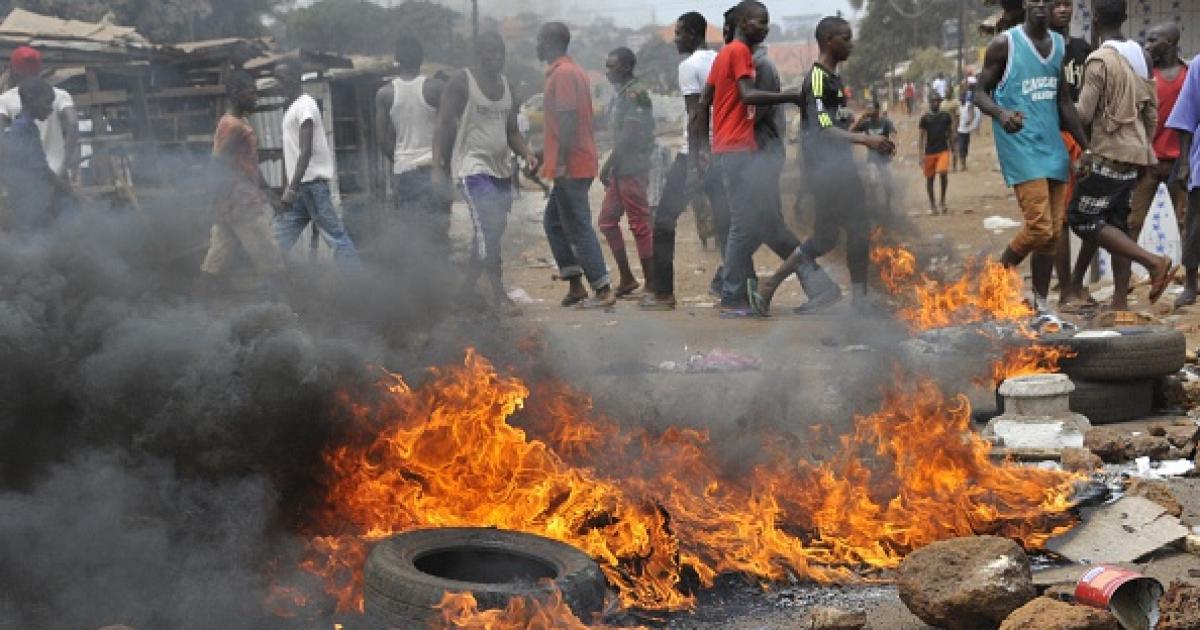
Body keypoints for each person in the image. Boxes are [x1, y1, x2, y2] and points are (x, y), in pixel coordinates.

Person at [748, 15, 895, 316]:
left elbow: (836, 124)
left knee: (826, 238)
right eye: (846, 38)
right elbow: (823, 128)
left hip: (837, 169)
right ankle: (859, 302)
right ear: (829, 40)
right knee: (857, 230)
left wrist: (863, 129)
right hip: (826, 173)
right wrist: (866, 140)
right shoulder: (816, 78)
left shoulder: (834, 79)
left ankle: (770, 285)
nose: (851, 44)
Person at [695, 2, 834, 316]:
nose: (765, 27)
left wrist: (706, 147)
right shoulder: (739, 56)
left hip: (758, 154)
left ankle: (735, 289)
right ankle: (810, 285)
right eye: (760, 22)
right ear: (741, 24)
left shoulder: (755, 63)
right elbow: (734, 103)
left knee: (753, 225)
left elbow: (728, 107)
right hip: (745, 153)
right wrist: (793, 97)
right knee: (761, 225)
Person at [974, 0, 1088, 314]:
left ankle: (1039, 303)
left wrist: (1085, 147)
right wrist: (1001, 113)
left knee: (1052, 233)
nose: (1039, 4)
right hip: (1020, 146)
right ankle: (996, 274)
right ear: (1026, 4)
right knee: (1040, 229)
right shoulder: (1005, 44)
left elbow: (1064, 102)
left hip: (1053, 147)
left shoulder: (1058, 47)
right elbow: (979, 92)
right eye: (1033, 0)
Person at [1065, 0, 1173, 310]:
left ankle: (1153, 262)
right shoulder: (1140, 56)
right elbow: (1152, 112)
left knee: (1082, 219)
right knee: (1117, 223)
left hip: (1108, 152)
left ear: (1094, 21)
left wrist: (1059, 102)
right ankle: (1119, 305)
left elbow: (1084, 114)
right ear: (1125, 18)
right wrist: (1144, 148)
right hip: (1136, 153)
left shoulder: (1099, 60)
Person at [432, 32, 539, 315]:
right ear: (479, 55)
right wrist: (437, 167)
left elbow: (512, 130)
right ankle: (498, 294)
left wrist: (526, 153)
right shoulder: (461, 82)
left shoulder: (508, 87)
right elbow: (443, 124)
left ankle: (465, 292)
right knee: (487, 226)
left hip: (501, 169)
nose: (497, 58)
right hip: (472, 167)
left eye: (500, 53)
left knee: (491, 232)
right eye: (490, 53)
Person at [641, 11, 723, 311]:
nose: (675, 39)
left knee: (663, 222)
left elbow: (695, 114)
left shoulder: (689, 66)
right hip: (723, 151)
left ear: (691, 33)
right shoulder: (719, 60)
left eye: (678, 33)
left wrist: (695, 164)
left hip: (697, 153)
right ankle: (737, 288)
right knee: (727, 223)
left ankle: (663, 293)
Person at [537, 22, 615, 308]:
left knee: (578, 225)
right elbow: (564, 124)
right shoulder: (569, 72)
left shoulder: (565, 74)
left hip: (572, 164)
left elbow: (569, 122)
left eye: (539, 40)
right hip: (575, 160)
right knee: (555, 222)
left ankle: (603, 288)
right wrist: (543, 153)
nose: (536, 46)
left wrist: (559, 163)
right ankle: (575, 285)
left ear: (548, 41)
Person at [200, 71, 287, 294]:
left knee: (217, 258)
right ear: (236, 94)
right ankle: (279, 309)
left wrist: (269, 192)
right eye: (252, 93)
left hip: (230, 202)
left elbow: (248, 165)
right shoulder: (233, 126)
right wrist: (211, 200)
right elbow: (217, 163)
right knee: (269, 256)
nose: (255, 98)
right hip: (242, 203)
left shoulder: (237, 122)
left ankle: (199, 302)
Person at [272, 60, 360, 266]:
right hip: (302, 189)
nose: (278, 83)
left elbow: (305, 151)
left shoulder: (305, 104)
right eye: (276, 78)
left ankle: (359, 286)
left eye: (282, 77)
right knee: (277, 240)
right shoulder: (292, 107)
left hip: (311, 187)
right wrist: (290, 187)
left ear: (295, 78)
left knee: (336, 238)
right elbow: (292, 155)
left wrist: (291, 189)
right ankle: (272, 289)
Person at [374, 35, 447, 244]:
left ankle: (416, 274)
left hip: (403, 172)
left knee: (410, 231)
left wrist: (399, 159)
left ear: (396, 59)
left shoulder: (385, 93)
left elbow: (382, 139)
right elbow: (446, 131)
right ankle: (441, 274)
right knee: (437, 230)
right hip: (433, 169)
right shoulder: (435, 88)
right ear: (421, 58)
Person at [598, 47, 655, 298]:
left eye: (611, 66)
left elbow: (629, 135)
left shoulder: (635, 93)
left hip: (632, 167)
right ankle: (627, 278)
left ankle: (653, 285)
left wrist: (608, 163)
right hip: (622, 168)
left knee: (640, 225)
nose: (607, 71)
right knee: (607, 222)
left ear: (625, 67)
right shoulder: (621, 94)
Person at [1051, 0, 1096, 307]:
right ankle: (1066, 288)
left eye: (1068, 3)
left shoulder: (1084, 49)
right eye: (1057, 4)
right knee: (1062, 219)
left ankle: (1078, 282)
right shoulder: (1042, 49)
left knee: (1093, 213)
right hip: (1055, 139)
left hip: (1088, 140)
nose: (1064, 9)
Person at [1129, 23, 1189, 251]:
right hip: (1149, 162)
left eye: (1154, 41)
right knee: (1134, 221)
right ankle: (1126, 280)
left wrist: (1189, 161)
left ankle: (1186, 274)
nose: (1147, 46)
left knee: (1185, 222)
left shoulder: (1189, 75)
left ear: (1170, 42)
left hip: (1179, 162)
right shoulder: (1145, 76)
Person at [0, 46, 80, 216]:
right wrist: (65, 166)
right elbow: (72, 123)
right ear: (41, 69)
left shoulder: (5, 100)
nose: (49, 109)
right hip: (55, 175)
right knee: (64, 230)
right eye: (47, 106)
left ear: (13, 71)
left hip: (25, 182)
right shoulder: (58, 94)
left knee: (34, 234)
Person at [0, 78, 75, 232]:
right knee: (34, 239)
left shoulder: (26, 127)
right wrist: (67, 189)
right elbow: (40, 168)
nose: (50, 109)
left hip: (30, 198)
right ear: (30, 100)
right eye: (47, 102)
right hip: (28, 201)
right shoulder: (23, 129)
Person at [1166, 44, 1200, 306]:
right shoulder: (1199, 65)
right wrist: (1185, 164)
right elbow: (1186, 118)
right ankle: (1190, 284)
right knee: (1195, 227)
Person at [851, 101, 898, 212]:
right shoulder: (866, 123)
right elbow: (851, 131)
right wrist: (861, 117)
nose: (869, 111)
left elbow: (893, 134)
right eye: (867, 109)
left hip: (885, 158)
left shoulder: (885, 122)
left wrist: (893, 144)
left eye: (871, 109)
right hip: (872, 158)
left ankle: (888, 205)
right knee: (873, 183)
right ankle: (874, 205)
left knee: (887, 183)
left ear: (877, 110)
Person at [919, 93, 953, 214]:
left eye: (938, 101)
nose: (936, 103)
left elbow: (950, 133)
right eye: (933, 101)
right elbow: (922, 137)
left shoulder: (946, 116)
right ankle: (933, 204)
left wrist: (953, 148)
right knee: (930, 179)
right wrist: (920, 155)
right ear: (930, 102)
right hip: (929, 152)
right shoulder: (925, 118)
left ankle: (942, 201)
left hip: (943, 150)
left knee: (943, 173)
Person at [953, 89, 980, 172]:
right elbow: (955, 118)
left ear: (965, 97)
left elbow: (972, 113)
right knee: (961, 148)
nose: (961, 98)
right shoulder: (958, 107)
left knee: (965, 148)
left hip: (966, 131)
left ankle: (963, 164)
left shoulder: (968, 105)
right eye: (960, 97)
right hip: (959, 131)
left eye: (962, 96)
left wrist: (970, 120)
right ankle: (961, 165)